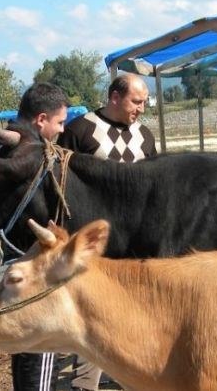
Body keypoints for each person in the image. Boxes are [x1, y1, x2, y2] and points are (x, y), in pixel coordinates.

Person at [57, 73, 156, 390]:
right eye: (136, 101)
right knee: (94, 311)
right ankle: (85, 383)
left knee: (138, 311)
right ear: (115, 97)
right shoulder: (79, 131)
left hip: (138, 241)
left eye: (144, 102)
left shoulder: (146, 136)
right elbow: (60, 186)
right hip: (95, 242)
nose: (141, 109)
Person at [0, 82, 70, 391]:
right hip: (30, 259)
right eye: (59, 122)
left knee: (28, 347)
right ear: (40, 120)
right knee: (40, 346)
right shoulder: (26, 154)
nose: (61, 130)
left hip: (12, 258)